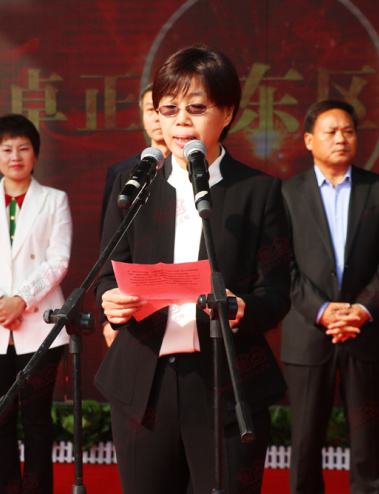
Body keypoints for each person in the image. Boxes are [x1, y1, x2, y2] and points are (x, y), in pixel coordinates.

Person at [95, 44, 290, 494]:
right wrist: (110, 300)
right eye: (169, 109)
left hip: (224, 380)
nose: (181, 121)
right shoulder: (134, 186)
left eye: (197, 108)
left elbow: (277, 292)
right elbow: (106, 274)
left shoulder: (258, 192)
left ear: (228, 113)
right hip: (144, 382)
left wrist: (243, 308)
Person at [280, 100, 379, 494]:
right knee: (305, 441)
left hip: (365, 330)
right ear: (308, 140)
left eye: (348, 131)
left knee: (367, 440)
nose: (341, 139)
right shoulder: (286, 193)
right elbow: (280, 263)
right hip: (308, 332)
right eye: (331, 132)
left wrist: (363, 309)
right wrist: (321, 310)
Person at [0, 114, 72, 494]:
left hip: (40, 324)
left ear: (35, 154)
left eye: (24, 148)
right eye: (6, 149)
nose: (15, 156)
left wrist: (21, 301)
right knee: (0, 418)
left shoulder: (55, 200)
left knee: (38, 420)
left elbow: (58, 260)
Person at [100, 83, 169, 348]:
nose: (157, 118)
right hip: (134, 308)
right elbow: (110, 247)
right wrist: (109, 317)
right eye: (150, 110)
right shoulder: (123, 174)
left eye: (165, 110)